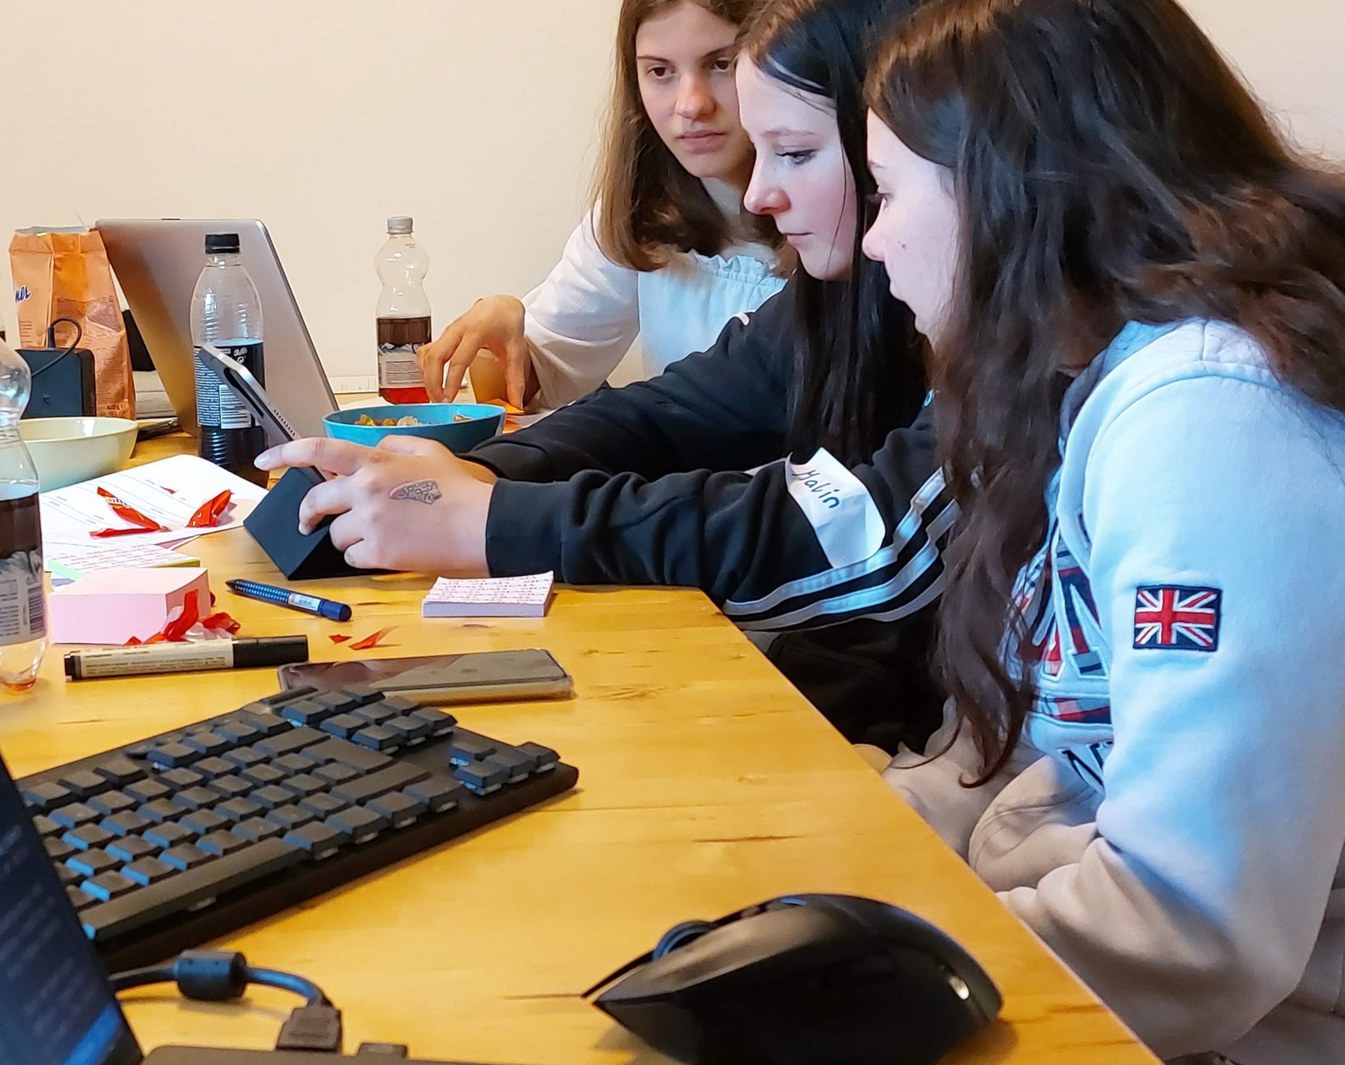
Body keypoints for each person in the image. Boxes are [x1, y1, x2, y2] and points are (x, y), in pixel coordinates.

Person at [860, 0, 1345, 1065]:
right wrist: (839, 844)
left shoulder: (1214, 414)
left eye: (887, 191)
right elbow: (1052, 745)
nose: (871, 238)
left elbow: (1189, 934)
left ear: (1006, 191)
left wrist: (865, 992)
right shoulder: (1112, 380)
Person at [258, 0, 948, 752]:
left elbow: (840, 533)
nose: (758, 194)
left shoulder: (1025, 354)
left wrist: (488, 521)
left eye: (795, 153)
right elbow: (668, 412)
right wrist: (449, 474)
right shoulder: (848, 293)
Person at [419, 0, 787, 408]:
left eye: (722, 64)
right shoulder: (639, 216)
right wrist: (500, 332)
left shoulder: (840, 224)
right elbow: (538, 380)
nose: (691, 104)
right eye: (660, 71)